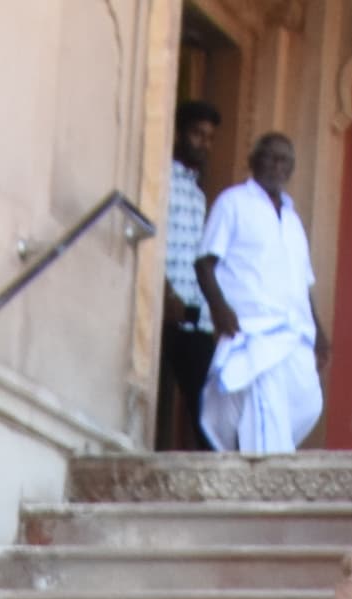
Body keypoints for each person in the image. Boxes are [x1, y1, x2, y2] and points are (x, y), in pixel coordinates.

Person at [195, 133, 324, 456]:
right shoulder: (233, 202)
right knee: (258, 406)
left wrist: (319, 330)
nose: (277, 166)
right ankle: (259, 473)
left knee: (308, 401)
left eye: (285, 161)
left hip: (294, 332)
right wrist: (219, 309)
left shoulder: (293, 221)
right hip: (250, 326)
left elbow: (302, 283)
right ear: (254, 162)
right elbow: (204, 263)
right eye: (270, 158)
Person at [159, 101, 221, 452]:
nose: (203, 144)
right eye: (197, 135)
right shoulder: (161, 180)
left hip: (195, 316)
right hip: (166, 306)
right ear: (180, 134)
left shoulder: (197, 194)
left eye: (210, 138)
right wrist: (165, 294)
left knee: (204, 395)